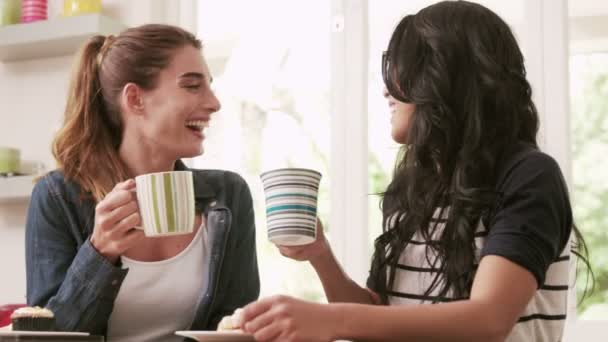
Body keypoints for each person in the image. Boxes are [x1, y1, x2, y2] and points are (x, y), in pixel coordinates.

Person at [235, 1, 592, 341]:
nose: (387, 89)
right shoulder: (412, 189)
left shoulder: (528, 176)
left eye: (403, 68)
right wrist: (321, 256)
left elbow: (487, 321)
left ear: (446, 76)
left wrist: (327, 320)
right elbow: (381, 320)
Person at [25, 24, 259, 341]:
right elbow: (43, 337)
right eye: (192, 86)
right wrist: (99, 253)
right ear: (135, 99)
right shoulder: (57, 196)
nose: (214, 103)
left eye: (210, 87)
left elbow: (235, 326)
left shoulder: (229, 196)